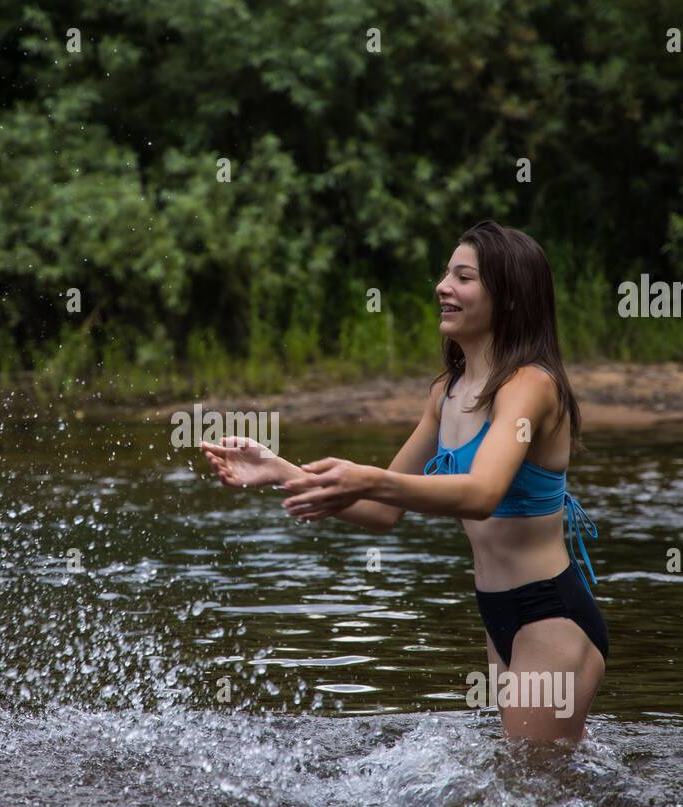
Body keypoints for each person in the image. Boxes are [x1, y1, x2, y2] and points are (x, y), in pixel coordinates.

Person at [199, 220, 608, 744]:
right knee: (534, 788)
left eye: (464, 278)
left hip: (549, 612)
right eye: (446, 274)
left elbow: (482, 495)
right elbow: (380, 511)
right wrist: (282, 471)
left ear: (508, 298)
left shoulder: (530, 385)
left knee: (535, 793)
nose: (443, 287)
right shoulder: (447, 392)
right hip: (499, 615)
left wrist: (366, 477)